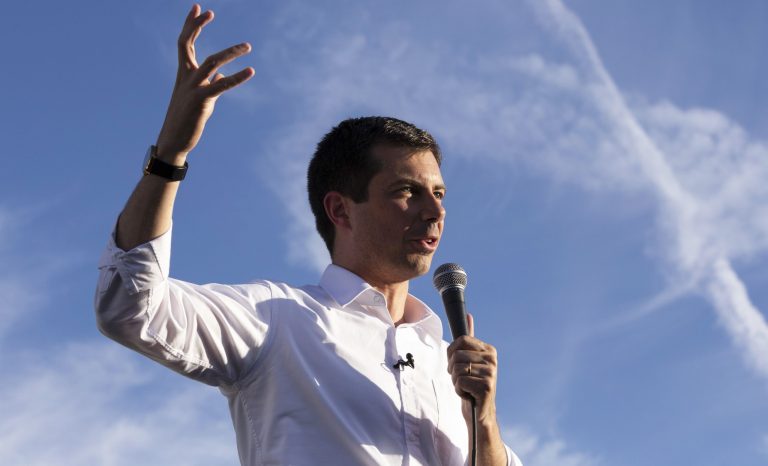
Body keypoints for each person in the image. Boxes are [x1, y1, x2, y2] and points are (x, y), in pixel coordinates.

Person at [95, 4, 522, 466]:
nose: (435, 210)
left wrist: (483, 417)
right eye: (407, 192)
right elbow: (129, 307)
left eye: (439, 193)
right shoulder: (277, 320)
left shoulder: (450, 361)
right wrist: (170, 155)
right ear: (340, 208)